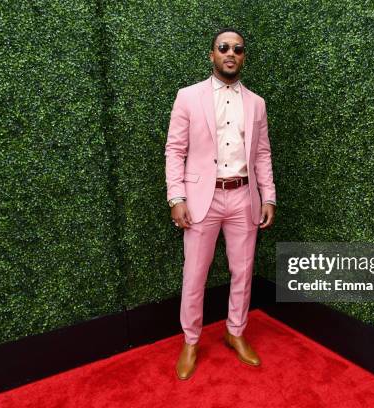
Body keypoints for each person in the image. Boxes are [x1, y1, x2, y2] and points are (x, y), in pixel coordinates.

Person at [165, 27, 276, 380]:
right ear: (212, 54)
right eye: (223, 47)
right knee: (194, 274)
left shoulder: (257, 103)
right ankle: (191, 341)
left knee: (242, 271)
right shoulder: (187, 97)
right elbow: (175, 150)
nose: (231, 53)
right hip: (202, 200)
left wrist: (268, 195)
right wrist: (176, 196)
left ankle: (235, 332)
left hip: (244, 197)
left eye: (238, 49)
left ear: (244, 57)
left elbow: (261, 153)